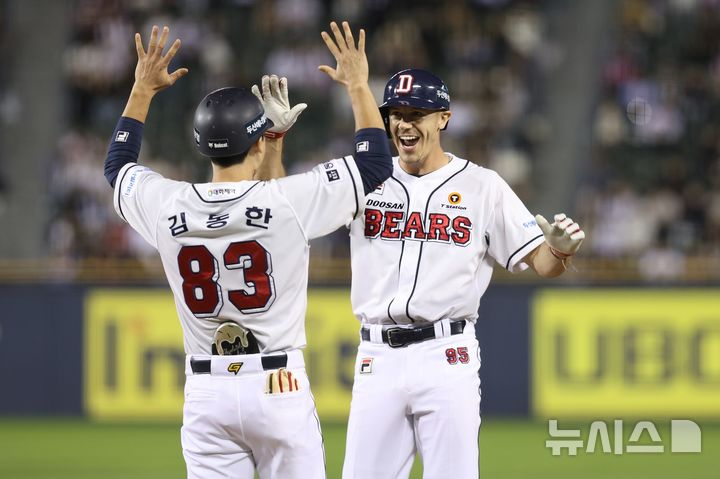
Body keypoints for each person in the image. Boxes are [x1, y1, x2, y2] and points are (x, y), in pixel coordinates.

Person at [103, 23, 391, 479]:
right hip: (278, 385)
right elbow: (376, 162)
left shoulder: (167, 204)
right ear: (258, 142)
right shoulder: (288, 202)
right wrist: (357, 83)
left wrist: (142, 90)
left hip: (206, 392)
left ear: (201, 146)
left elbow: (118, 165)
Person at [341, 69, 586, 478]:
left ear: (443, 118)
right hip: (376, 355)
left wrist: (560, 248)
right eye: (396, 113)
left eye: (416, 112)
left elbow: (542, 263)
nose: (404, 123)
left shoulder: (482, 186)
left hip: (445, 354)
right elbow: (286, 211)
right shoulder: (365, 179)